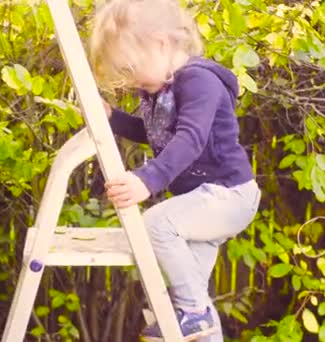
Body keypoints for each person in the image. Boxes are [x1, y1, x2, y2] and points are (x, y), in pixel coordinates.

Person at [90, 0, 261, 340]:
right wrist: (114, 118)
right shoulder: (156, 89)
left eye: (129, 68)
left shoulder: (200, 82)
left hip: (230, 194)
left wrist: (147, 179)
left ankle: (194, 314)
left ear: (160, 43)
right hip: (204, 199)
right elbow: (154, 133)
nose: (128, 80)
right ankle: (197, 319)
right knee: (191, 298)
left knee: (157, 223)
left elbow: (190, 139)